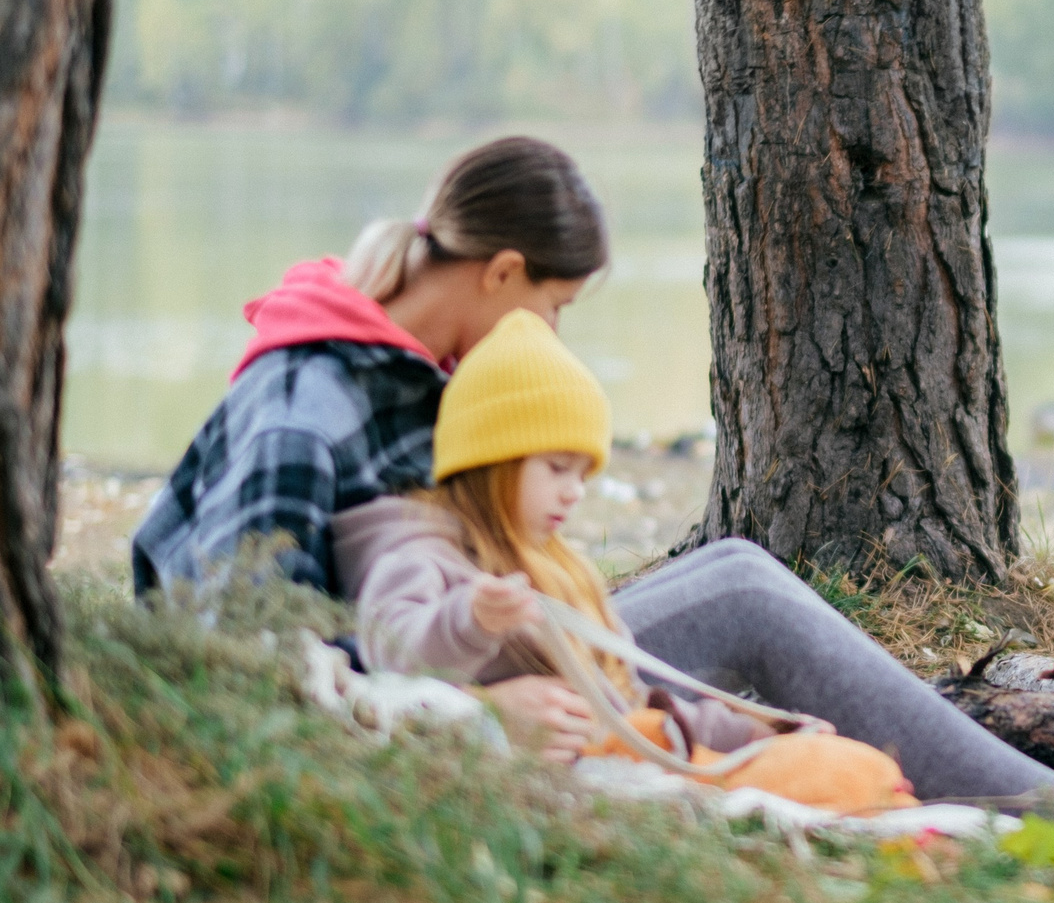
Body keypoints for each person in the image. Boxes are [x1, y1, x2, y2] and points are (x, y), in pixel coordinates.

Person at [133, 136, 1054, 806]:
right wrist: (475, 715)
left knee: (732, 571)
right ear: (500, 272)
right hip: (428, 688)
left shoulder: (420, 373)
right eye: (555, 304)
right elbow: (241, 649)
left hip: (474, 651)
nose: (552, 335)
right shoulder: (307, 405)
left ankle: (997, 791)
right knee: (741, 592)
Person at [335, 308, 917, 811]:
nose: (573, 492)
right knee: (850, 782)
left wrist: (762, 728)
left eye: (584, 475)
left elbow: (630, 702)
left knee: (841, 766)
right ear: (491, 462)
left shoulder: (561, 569)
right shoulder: (421, 552)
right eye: (556, 468)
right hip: (573, 778)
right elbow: (394, 653)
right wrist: (469, 620)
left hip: (622, 754)